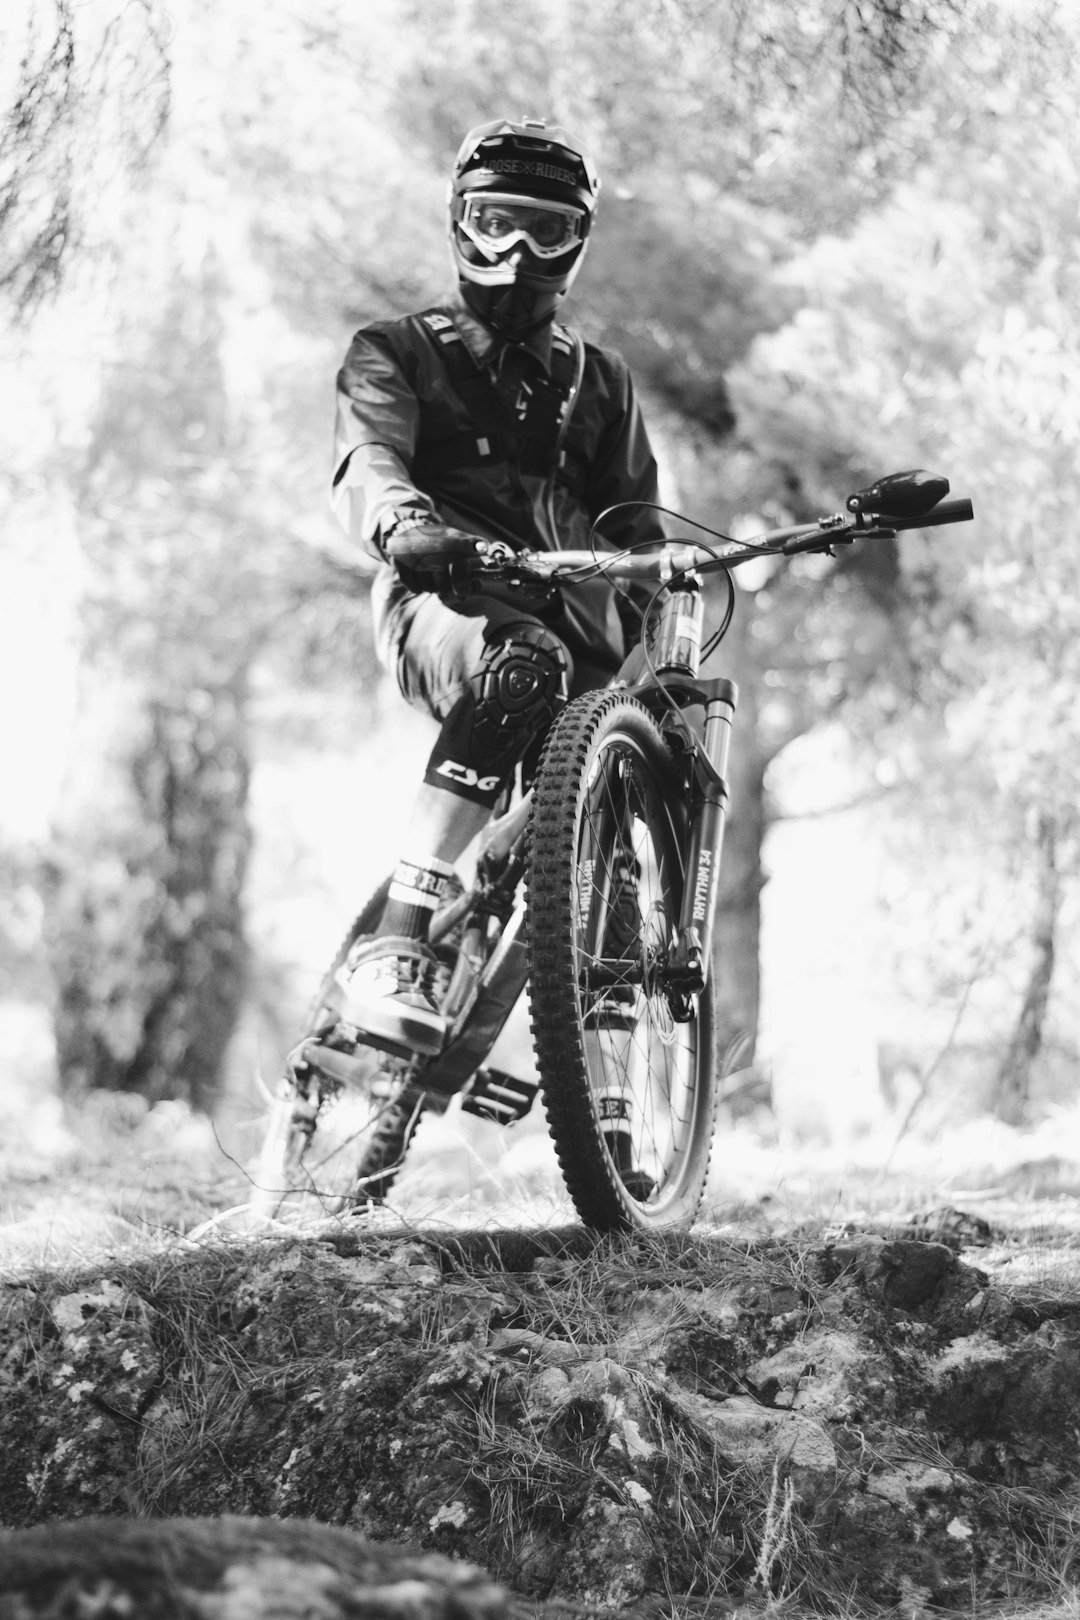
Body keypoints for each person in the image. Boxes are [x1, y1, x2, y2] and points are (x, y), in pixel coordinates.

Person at [328, 116, 664, 1057]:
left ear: (578, 244)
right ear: (458, 223)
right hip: (448, 609)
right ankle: (397, 940)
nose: (518, 250)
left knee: (643, 739)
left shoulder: (602, 380)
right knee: (526, 661)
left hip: (580, 633)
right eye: (496, 221)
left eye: (547, 230)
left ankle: (610, 1031)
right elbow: (369, 456)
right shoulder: (394, 350)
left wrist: (662, 604)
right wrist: (405, 524)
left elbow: (636, 524)